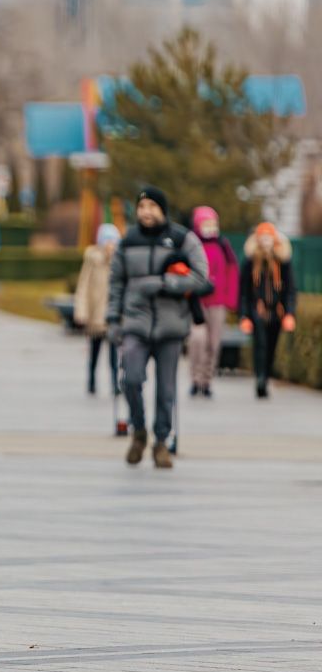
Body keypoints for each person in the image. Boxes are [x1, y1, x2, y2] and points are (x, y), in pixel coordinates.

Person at [107, 186, 211, 469]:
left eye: (152, 206)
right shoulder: (128, 241)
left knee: (166, 390)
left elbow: (202, 278)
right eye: (142, 207)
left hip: (170, 325)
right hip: (135, 323)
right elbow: (116, 282)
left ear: (162, 209)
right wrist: (113, 319)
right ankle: (138, 430)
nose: (146, 212)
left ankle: (161, 441)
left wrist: (166, 284)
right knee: (130, 378)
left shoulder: (182, 239)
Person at [239, 222, 297, 399]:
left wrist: (289, 313)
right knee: (261, 344)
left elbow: (290, 289)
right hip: (258, 309)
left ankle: (267, 374)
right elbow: (244, 291)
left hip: (277, 311)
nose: (265, 241)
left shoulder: (283, 261)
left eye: (268, 237)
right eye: (262, 237)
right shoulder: (250, 261)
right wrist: (244, 315)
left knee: (271, 346)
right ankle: (261, 379)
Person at [188, 206, 240, 398]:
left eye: (213, 223)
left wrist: (230, 300)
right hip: (197, 301)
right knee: (197, 340)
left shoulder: (223, 246)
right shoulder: (192, 245)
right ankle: (194, 378)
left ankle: (206, 380)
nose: (210, 227)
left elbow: (232, 273)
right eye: (206, 223)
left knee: (213, 343)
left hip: (218, 302)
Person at [74, 223, 121, 395]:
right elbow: (83, 287)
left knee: (114, 354)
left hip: (112, 316)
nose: (111, 245)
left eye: (114, 241)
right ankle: (92, 380)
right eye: (108, 241)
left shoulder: (119, 262)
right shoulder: (93, 259)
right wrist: (82, 311)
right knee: (94, 351)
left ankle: (115, 383)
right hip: (95, 315)